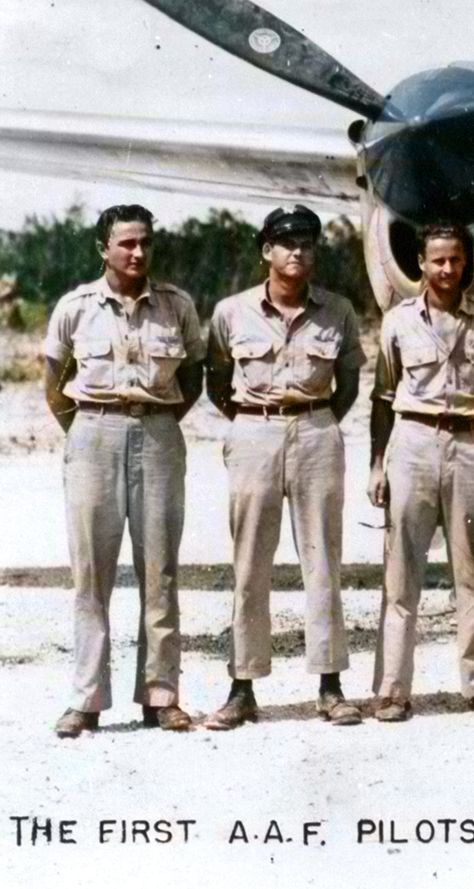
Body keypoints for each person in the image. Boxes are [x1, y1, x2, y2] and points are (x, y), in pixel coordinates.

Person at [41, 204, 205, 738]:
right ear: (103, 249)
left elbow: (195, 377)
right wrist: (93, 426)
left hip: (158, 434)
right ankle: (86, 699)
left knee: (160, 571)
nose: (138, 253)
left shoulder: (176, 306)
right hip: (93, 434)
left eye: (146, 243)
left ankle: (161, 695)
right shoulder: (76, 307)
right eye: (126, 244)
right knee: (92, 574)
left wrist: (154, 419)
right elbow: (54, 382)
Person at [202, 206, 366, 731]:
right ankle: (242, 686)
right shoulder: (231, 312)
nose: (297, 251)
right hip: (253, 430)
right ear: (265, 250)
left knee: (323, 561)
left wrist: (312, 419)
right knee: (250, 561)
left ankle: (330, 685)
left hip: (317, 429)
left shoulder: (337, 311)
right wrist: (257, 420)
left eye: (307, 243)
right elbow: (216, 380)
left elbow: (349, 383)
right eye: (285, 241)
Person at [369, 223, 474, 721]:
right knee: (401, 573)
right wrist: (378, 463)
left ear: (465, 264)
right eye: (438, 261)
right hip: (412, 442)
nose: (448, 270)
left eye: (456, 260)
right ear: (421, 264)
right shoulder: (397, 321)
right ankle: (392, 688)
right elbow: (384, 398)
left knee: (473, 572)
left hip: (470, 443)